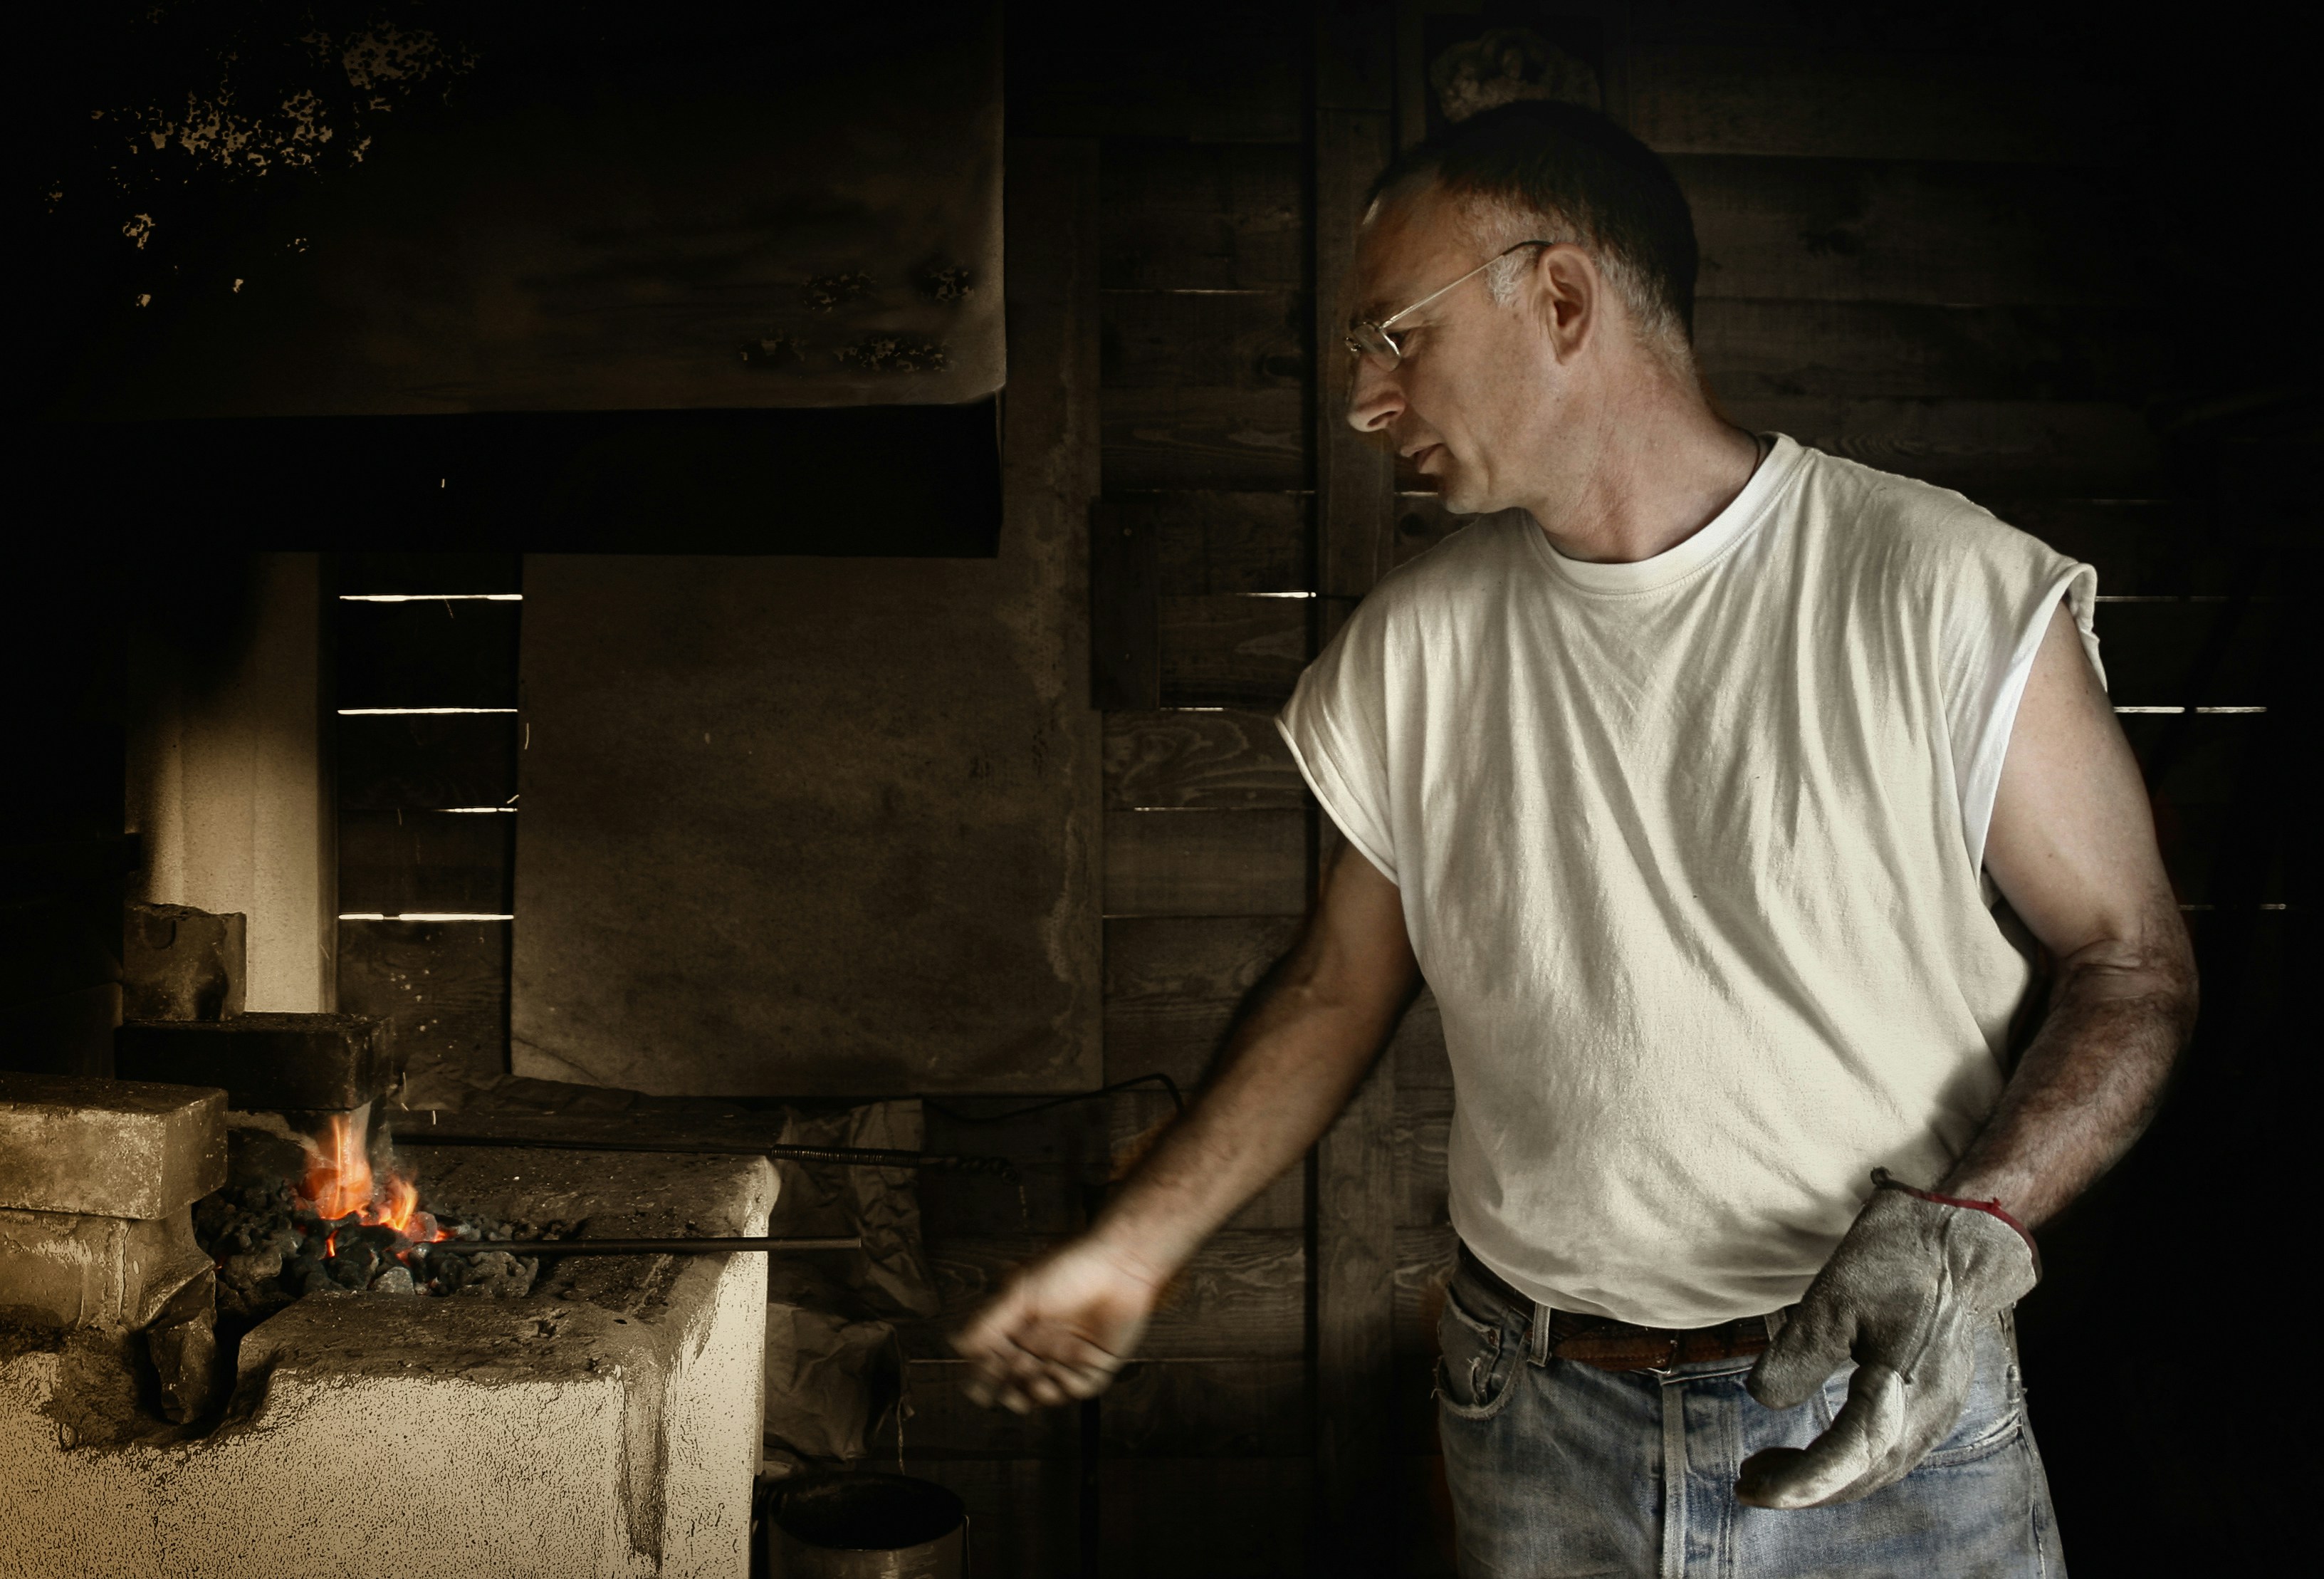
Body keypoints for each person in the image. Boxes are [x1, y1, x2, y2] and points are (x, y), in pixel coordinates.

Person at [955, 99, 2194, 1576]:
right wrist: (1134, 1243)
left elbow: (2131, 961)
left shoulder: (1941, 589)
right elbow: (1332, 991)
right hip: (1533, 1416)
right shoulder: (1412, 652)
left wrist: (1967, 1227)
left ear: (1559, 298)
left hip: (1891, 1411)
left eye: (1392, 336)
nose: (1362, 399)